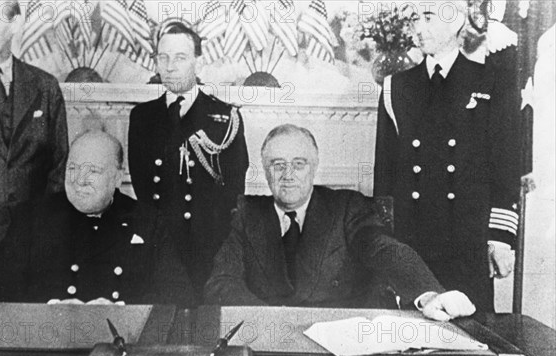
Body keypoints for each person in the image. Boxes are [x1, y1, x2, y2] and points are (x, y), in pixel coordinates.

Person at [205, 124, 477, 322]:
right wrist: (271, 321)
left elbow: (384, 249)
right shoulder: (247, 214)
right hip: (269, 341)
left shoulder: (346, 207)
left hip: (338, 346)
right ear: (265, 171)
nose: (288, 175)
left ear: (314, 167)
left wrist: (427, 294)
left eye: (299, 164)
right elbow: (220, 284)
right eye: (277, 165)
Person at [374, 1, 520, 312]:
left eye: (428, 17)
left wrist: (500, 238)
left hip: (467, 241)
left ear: (455, 21)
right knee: (410, 338)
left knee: (470, 339)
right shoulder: (395, 87)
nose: (418, 27)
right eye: (415, 18)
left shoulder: (491, 81)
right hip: (411, 241)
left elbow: (505, 165)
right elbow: (384, 175)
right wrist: (383, 243)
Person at [0, 130, 194, 306]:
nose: (79, 180)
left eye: (93, 171)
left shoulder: (147, 223)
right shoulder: (32, 218)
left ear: (118, 177)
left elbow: (178, 293)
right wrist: (49, 307)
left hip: (119, 343)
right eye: (73, 168)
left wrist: (122, 309)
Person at [128, 22, 249, 301]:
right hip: (161, 248)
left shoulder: (224, 117)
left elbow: (234, 189)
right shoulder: (142, 118)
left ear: (198, 62)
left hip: (211, 244)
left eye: (180, 57)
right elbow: (144, 189)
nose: (170, 66)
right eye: (163, 57)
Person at [0, 0, 68, 299]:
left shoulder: (44, 87)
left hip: (26, 250)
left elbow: (58, 167)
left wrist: (42, 234)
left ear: (16, 24)